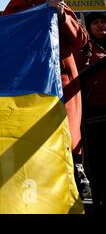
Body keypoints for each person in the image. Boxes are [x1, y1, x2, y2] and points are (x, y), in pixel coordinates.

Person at [1, 0, 90, 201]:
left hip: (61, 80)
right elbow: (5, 44)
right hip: (30, 84)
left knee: (66, 131)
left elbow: (79, 40)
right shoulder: (10, 12)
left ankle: (74, 177)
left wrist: (60, 16)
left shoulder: (57, 5)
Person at [77, 11, 106, 211]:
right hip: (93, 112)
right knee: (98, 159)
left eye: (103, 21)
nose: (100, 25)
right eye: (94, 22)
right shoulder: (85, 48)